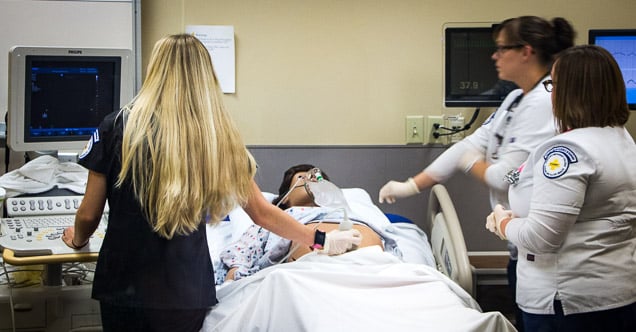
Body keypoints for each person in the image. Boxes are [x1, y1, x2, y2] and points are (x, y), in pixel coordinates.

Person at [60, 34, 361, 332]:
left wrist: (78, 239)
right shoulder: (217, 138)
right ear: (206, 77)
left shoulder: (115, 126)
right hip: (185, 291)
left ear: (155, 71)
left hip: (123, 287)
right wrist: (321, 240)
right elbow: (262, 213)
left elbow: (88, 214)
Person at [379, 16, 575, 329]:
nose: (494, 56)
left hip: (547, 256)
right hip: (521, 249)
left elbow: (505, 177)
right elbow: (468, 146)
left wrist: (472, 162)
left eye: (501, 49)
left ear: (526, 52)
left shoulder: (544, 103)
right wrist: (410, 186)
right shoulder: (515, 98)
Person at [486, 45, 636, 332]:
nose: (550, 92)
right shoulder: (621, 140)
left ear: (571, 91)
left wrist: (503, 224)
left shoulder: (567, 151)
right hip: (617, 294)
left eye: (553, 84)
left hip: (568, 302)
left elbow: (541, 238)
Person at [218, 164, 416, 283]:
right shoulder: (274, 219)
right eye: (302, 177)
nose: (312, 179)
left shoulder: (349, 212)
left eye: (317, 178)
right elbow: (239, 258)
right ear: (285, 198)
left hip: (376, 271)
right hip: (312, 275)